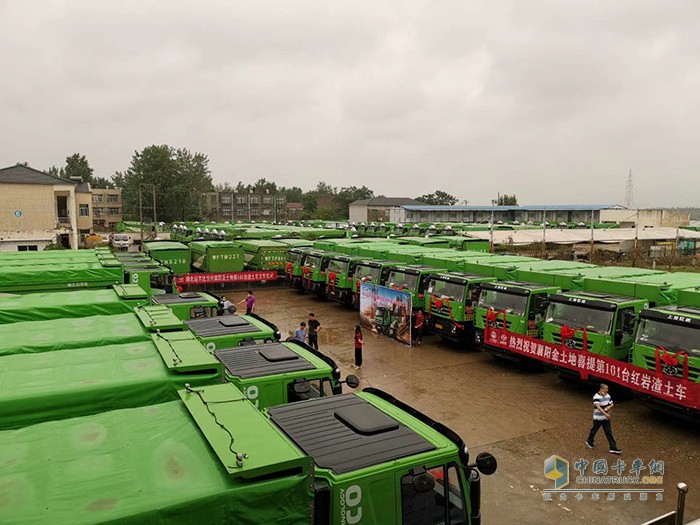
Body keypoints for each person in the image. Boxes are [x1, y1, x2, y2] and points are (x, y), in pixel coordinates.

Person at [586, 383, 622, 454]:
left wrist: (609, 407)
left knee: (609, 432)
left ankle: (613, 447)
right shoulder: (596, 397)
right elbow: (598, 407)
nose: (607, 390)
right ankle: (589, 441)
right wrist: (606, 414)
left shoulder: (608, 396)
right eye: (606, 389)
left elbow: (611, 403)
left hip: (605, 419)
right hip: (598, 418)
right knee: (594, 430)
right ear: (602, 389)